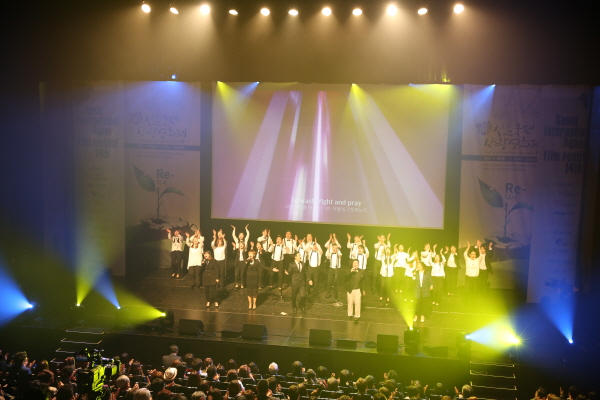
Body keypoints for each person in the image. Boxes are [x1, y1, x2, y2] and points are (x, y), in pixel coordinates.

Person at [324, 235, 343, 300]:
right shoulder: (330, 252)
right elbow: (326, 255)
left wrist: (337, 251)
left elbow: (340, 255)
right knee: (329, 281)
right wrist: (329, 249)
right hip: (331, 269)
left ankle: (336, 294)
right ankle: (328, 293)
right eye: (333, 247)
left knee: (336, 282)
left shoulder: (339, 252)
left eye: (335, 247)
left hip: (337, 269)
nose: (334, 249)